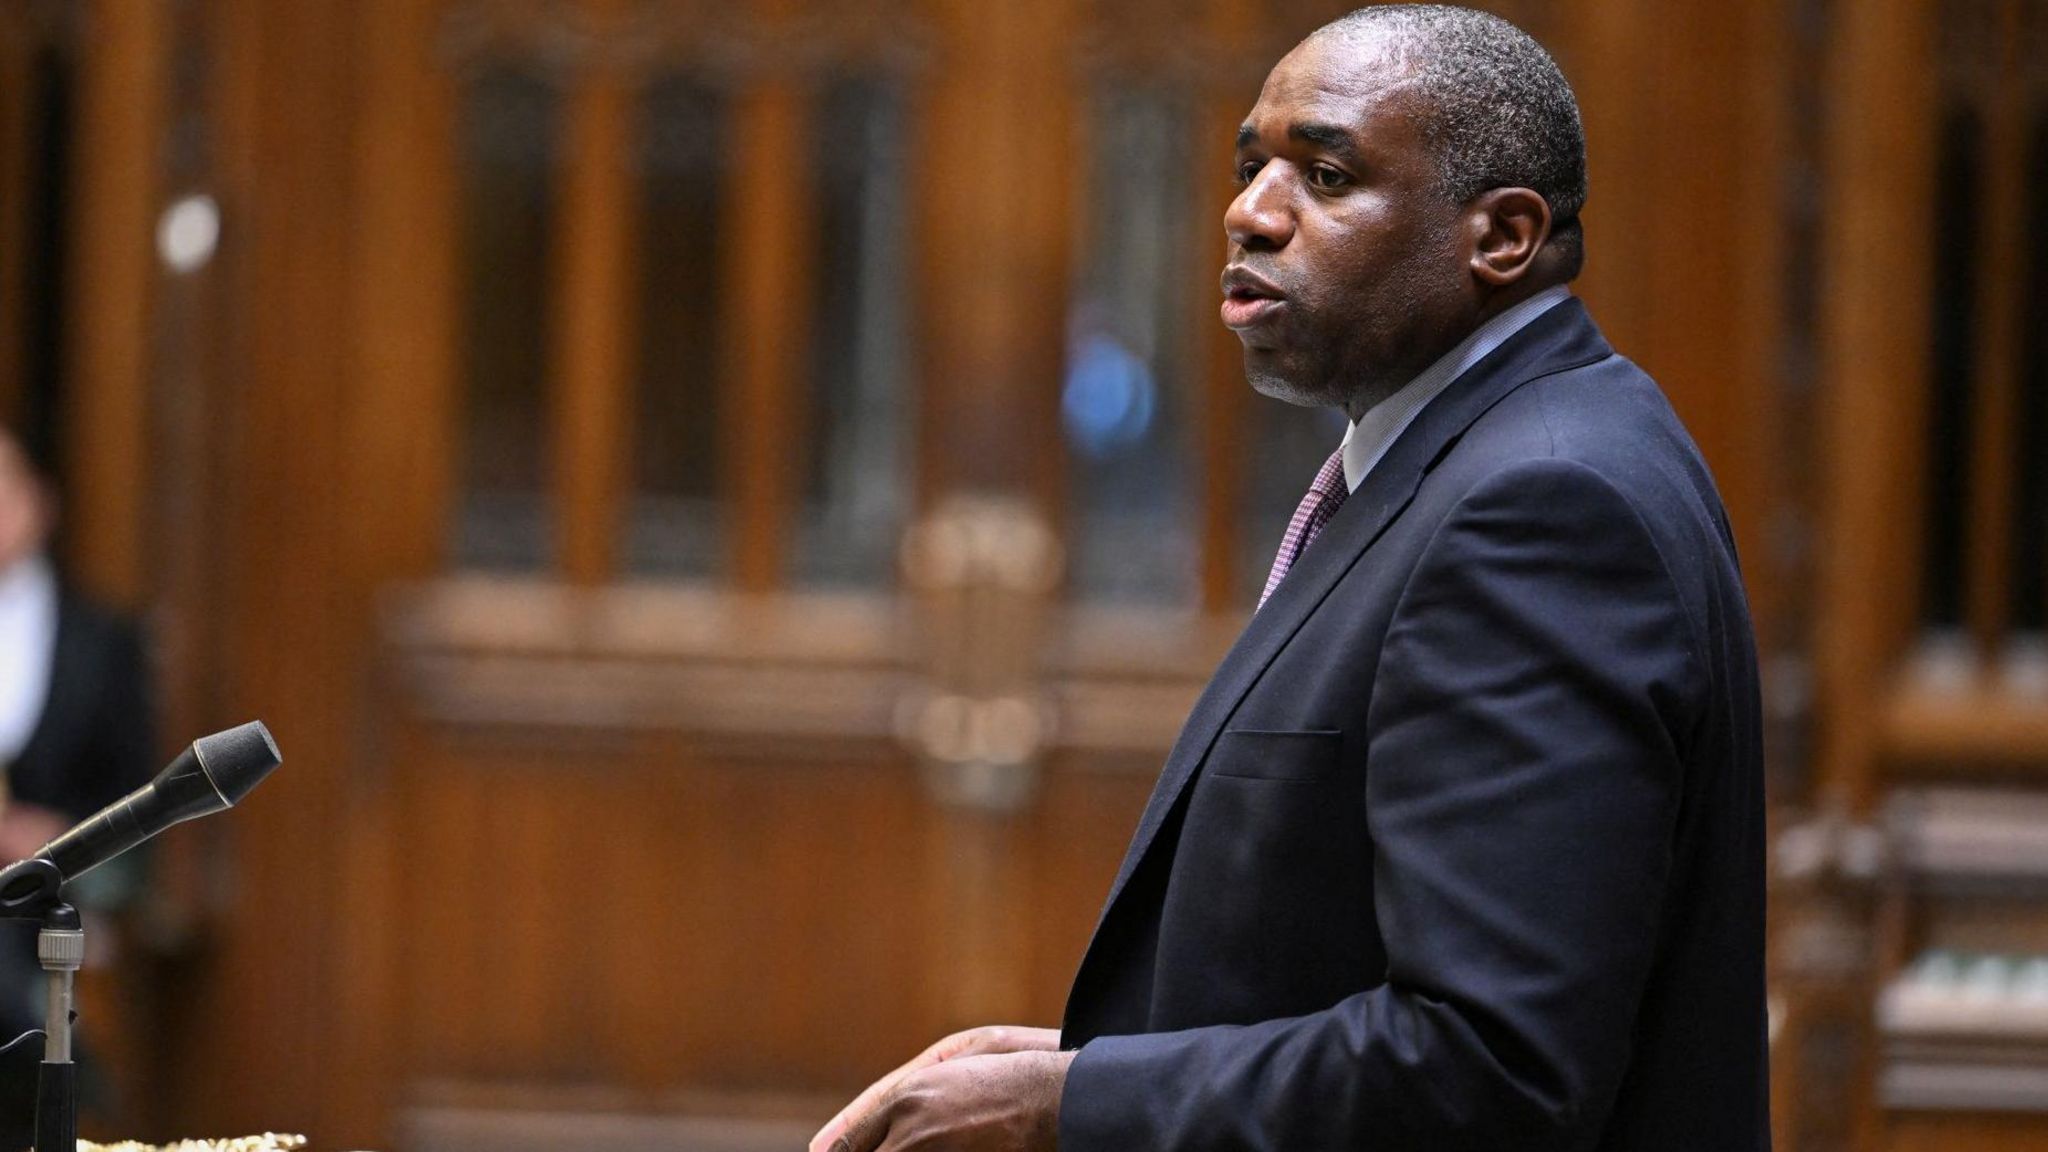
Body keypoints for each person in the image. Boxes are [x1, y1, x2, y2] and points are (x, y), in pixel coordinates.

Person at [811, 5, 1767, 1150]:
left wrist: (1063, 1108)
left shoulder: (1541, 509)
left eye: (1323, 174)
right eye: (1249, 164)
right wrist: (1088, 1063)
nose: (1249, 212)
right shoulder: (1496, 453)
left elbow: (1489, 1069)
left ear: (1501, 237)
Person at [0, 425, 156, 1150]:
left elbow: (142, 800)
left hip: (49, 911)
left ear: (41, 501)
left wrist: (59, 838)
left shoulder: (101, 641)